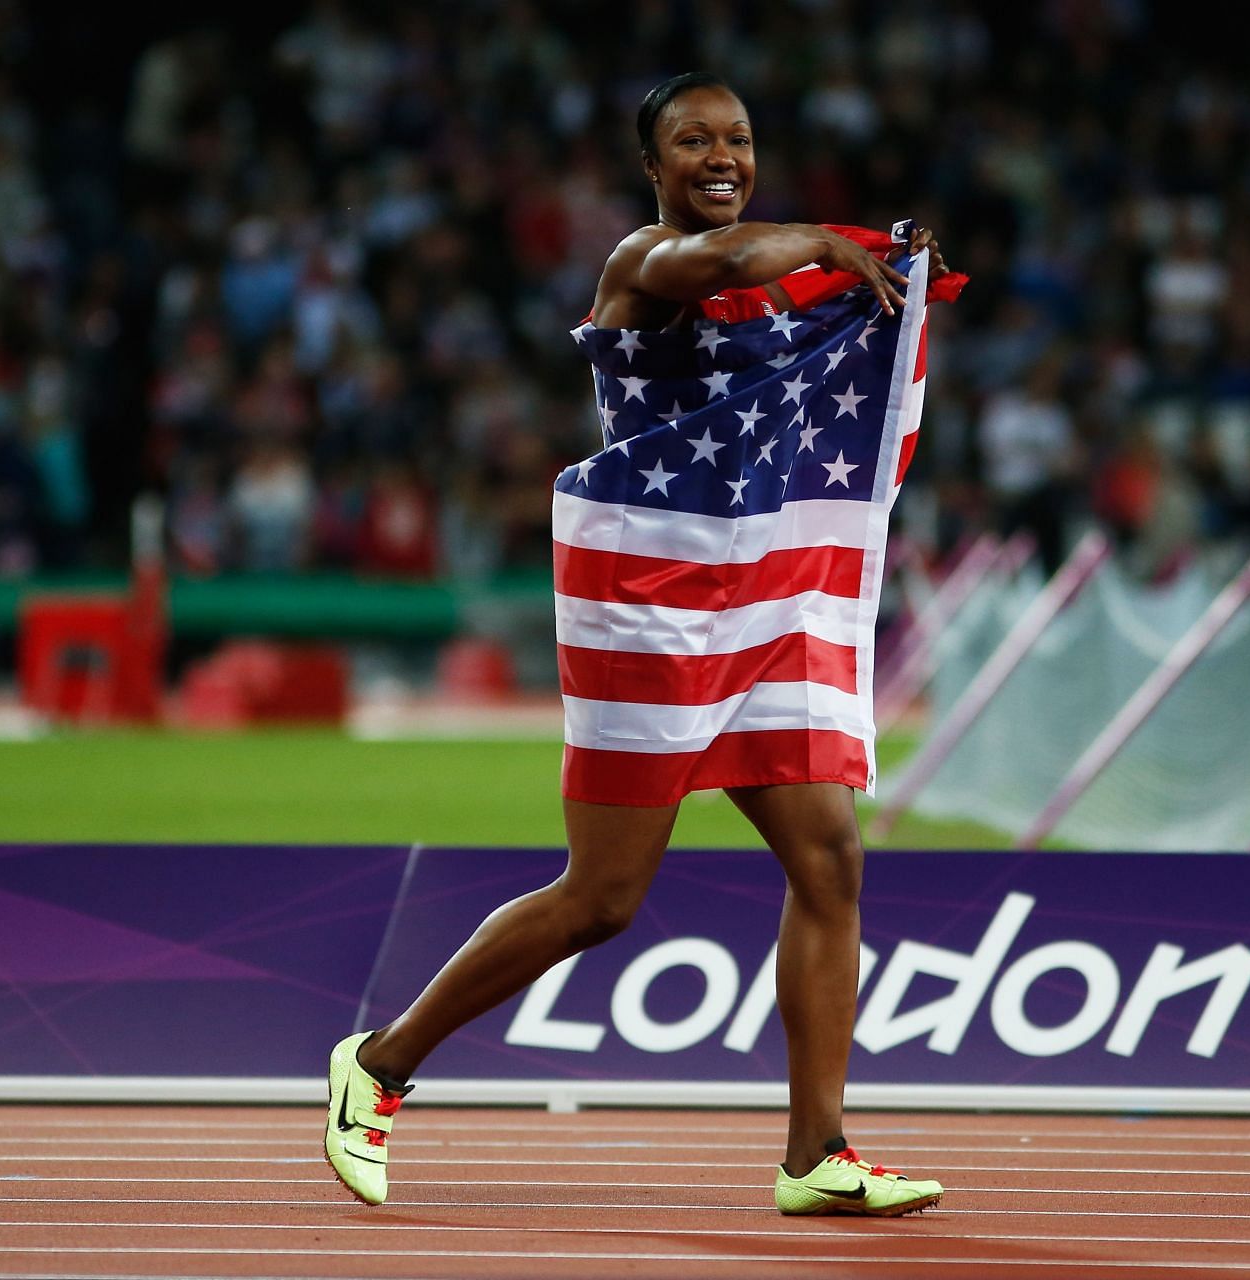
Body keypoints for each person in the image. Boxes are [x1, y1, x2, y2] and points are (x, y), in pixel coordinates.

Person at [323, 72, 951, 1218]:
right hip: (649, 600)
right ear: (651, 167)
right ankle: (379, 1062)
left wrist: (891, 275)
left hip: (762, 596)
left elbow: (801, 336)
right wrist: (825, 235)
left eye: (740, 138)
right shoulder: (643, 263)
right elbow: (722, 263)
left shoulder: (780, 291)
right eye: (694, 141)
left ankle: (818, 1150)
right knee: (605, 897)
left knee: (830, 857)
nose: (722, 155)